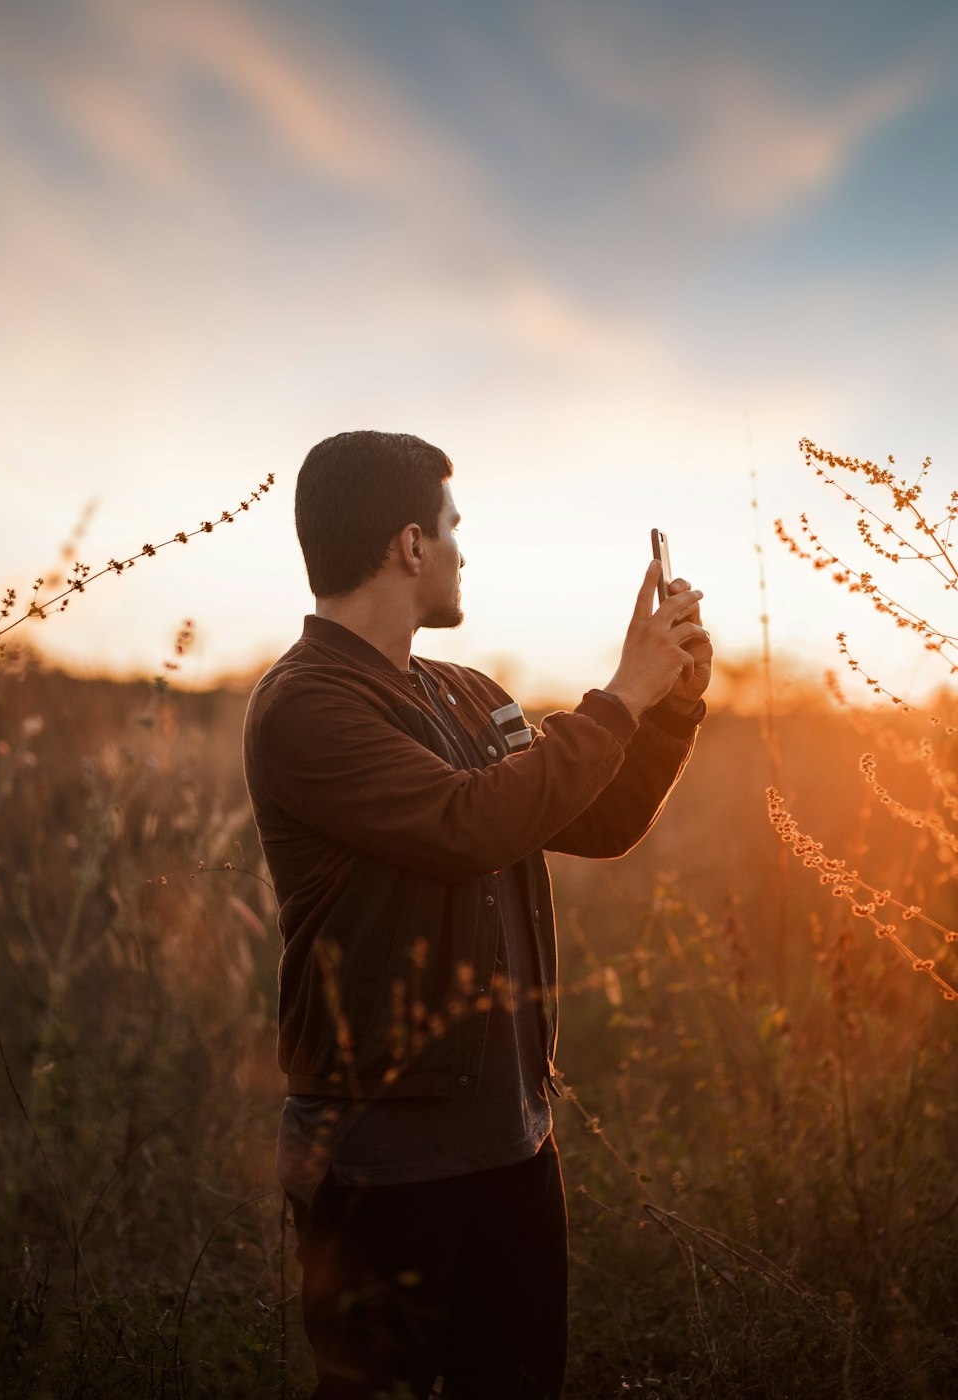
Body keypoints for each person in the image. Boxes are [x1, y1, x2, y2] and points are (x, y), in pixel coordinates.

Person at [242, 429, 711, 1399]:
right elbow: (468, 824)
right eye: (453, 527)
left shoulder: (467, 692)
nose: (464, 549)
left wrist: (666, 707)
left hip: (513, 1140)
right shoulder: (303, 704)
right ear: (410, 544)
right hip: (380, 1160)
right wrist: (621, 690)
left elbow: (595, 814)